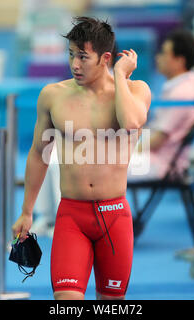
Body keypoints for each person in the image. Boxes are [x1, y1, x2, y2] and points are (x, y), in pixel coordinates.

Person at [11, 16, 151, 300]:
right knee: (66, 301)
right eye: (71, 55)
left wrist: (121, 77)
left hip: (115, 218)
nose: (75, 64)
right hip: (72, 216)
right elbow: (40, 154)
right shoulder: (53, 96)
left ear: (105, 58)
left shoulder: (136, 91)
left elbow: (131, 123)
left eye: (83, 57)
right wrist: (27, 211)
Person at [128, 29, 194, 182]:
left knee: (101, 165)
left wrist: (125, 151)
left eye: (163, 53)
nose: (158, 57)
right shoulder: (183, 85)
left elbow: (157, 140)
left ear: (179, 61)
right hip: (154, 156)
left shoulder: (182, 94)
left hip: (161, 164)